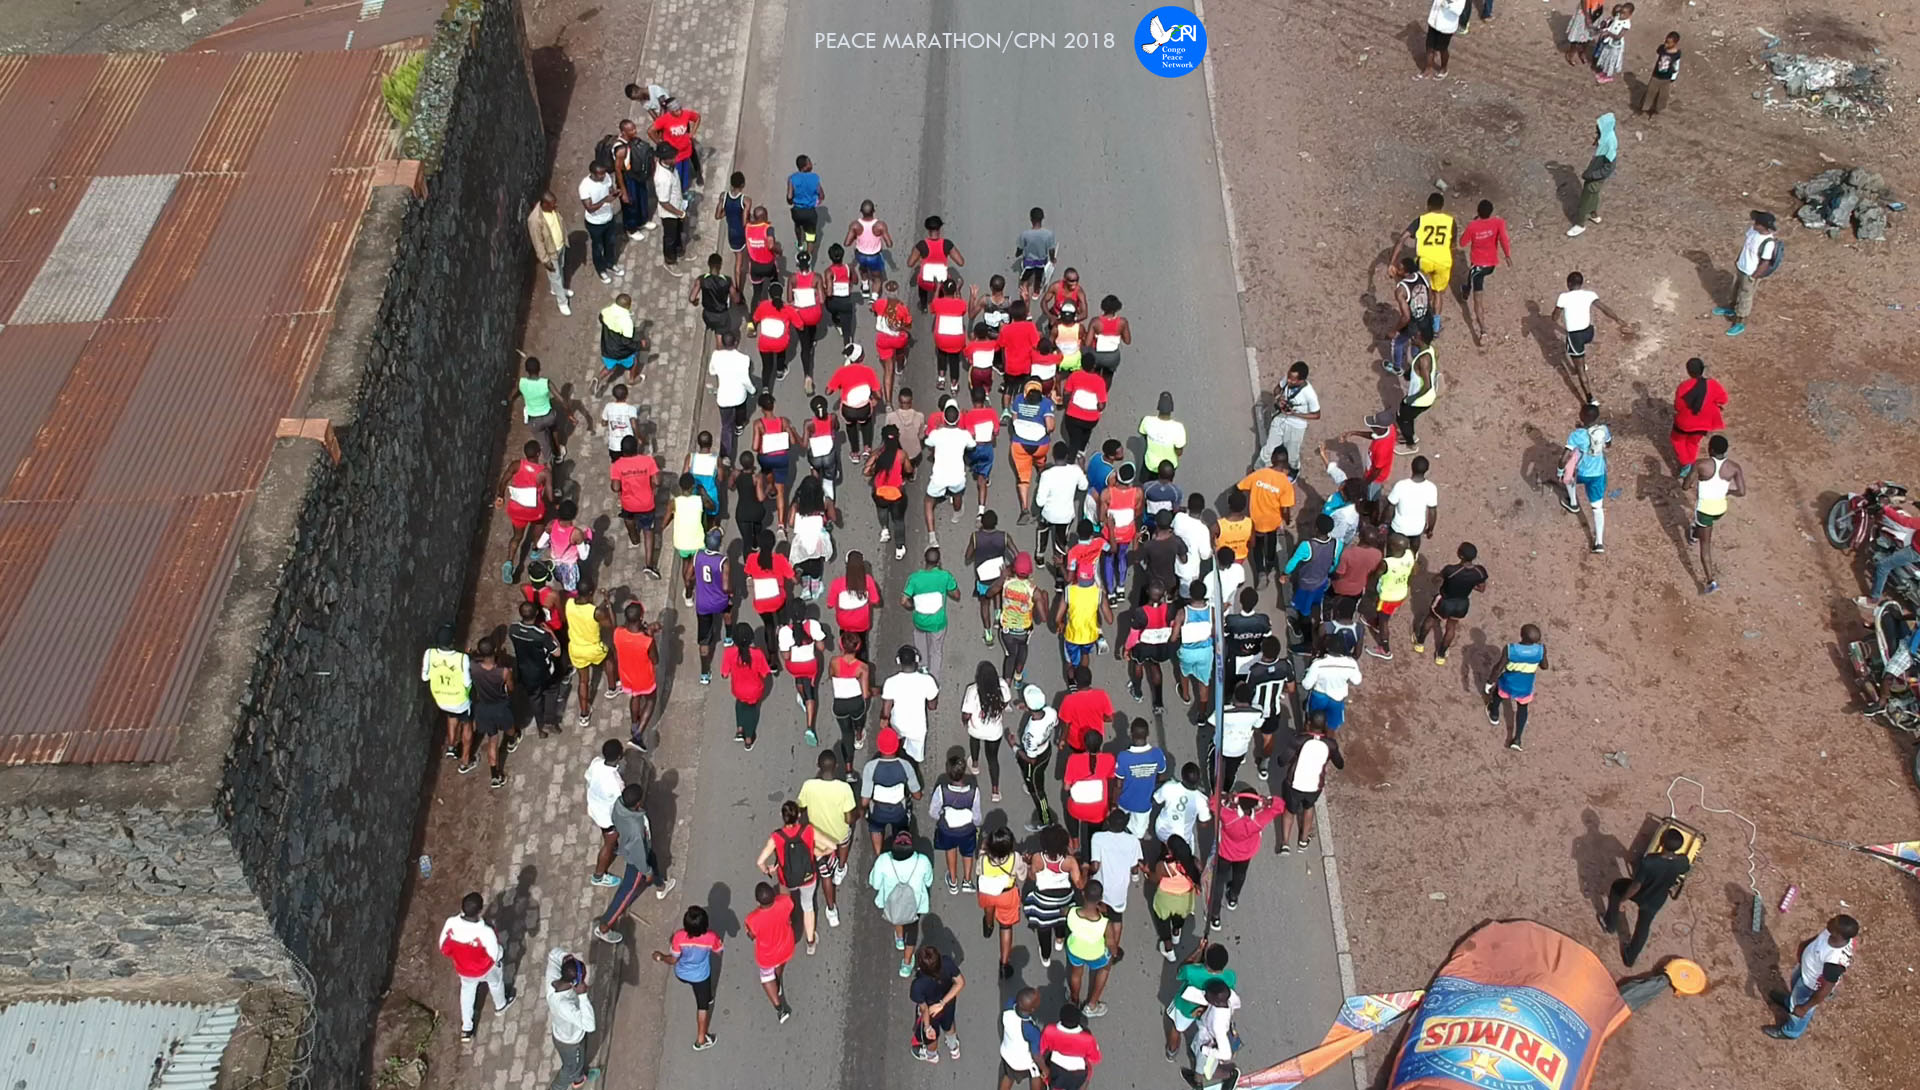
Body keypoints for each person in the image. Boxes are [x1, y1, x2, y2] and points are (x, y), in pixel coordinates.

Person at [592, 782, 677, 943]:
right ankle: (605, 926)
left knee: (653, 859)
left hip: (637, 847)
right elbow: (639, 856)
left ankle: (661, 886)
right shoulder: (636, 829)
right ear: (638, 803)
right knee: (627, 891)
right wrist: (646, 872)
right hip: (637, 860)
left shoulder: (618, 805)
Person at [1601, 826, 1691, 967]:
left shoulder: (1649, 861)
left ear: (1661, 843)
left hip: (1642, 893)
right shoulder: (1683, 861)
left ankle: (1610, 923)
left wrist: (1623, 900)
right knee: (1643, 927)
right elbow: (1685, 870)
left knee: (1617, 887)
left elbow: (1636, 885)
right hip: (1657, 899)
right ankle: (1630, 958)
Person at [1765, 915, 1859, 1039]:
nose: (1829, 920)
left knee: (1799, 1010)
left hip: (1810, 986)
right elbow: (1818, 940)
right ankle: (1790, 1002)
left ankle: (1790, 1032)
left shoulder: (1834, 961)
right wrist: (1804, 948)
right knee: (1795, 995)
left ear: (1838, 934)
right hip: (1805, 971)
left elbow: (1826, 989)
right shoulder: (1832, 933)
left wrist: (1805, 1008)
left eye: (1833, 922)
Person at [439, 892, 512, 1043]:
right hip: (486, 969)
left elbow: (443, 948)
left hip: (464, 970)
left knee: (467, 993)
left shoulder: (451, 924)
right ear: (480, 910)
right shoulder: (485, 932)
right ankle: (500, 1005)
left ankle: (467, 1028)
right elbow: (494, 953)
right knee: (496, 983)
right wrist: (499, 959)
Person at [1209, 786, 1283, 929]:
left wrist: (1227, 797)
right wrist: (1266, 801)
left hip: (1226, 851)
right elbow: (1279, 805)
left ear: (1238, 801)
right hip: (1246, 852)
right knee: (1240, 874)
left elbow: (1213, 802)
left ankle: (1215, 915)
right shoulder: (1260, 819)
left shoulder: (1229, 816)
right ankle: (1233, 898)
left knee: (1219, 880)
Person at [797, 748, 858, 917]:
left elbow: (801, 809)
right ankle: (840, 867)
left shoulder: (808, 786)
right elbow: (848, 819)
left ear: (818, 765)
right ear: (836, 766)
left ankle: (831, 910)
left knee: (825, 874)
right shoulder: (844, 789)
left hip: (818, 838)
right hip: (838, 833)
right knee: (845, 839)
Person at [1553, 270, 1630, 405]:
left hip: (1575, 336)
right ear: (1581, 284)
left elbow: (1554, 318)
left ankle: (1590, 398)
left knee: (1580, 368)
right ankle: (1582, 360)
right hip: (1589, 332)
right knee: (1581, 345)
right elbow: (1605, 309)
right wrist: (1619, 320)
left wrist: (1555, 315)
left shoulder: (1563, 297)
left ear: (1568, 284)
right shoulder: (1590, 295)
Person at [651, 906, 722, 1051]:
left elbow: (673, 960)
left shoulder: (679, 937)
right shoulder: (711, 937)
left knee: (703, 993)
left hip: (682, 974)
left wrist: (661, 956)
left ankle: (707, 997)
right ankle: (701, 1040)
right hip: (701, 977)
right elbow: (718, 952)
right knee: (703, 1007)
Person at [756, 801, 822, 954]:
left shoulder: (776, 836)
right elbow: (830, 845)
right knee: (808, 907)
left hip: (786, 878)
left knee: (786, 905)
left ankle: (788, 931)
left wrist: (768, 869)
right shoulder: (808, 830)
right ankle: (810, 942)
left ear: (782, 817)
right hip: (808, 877)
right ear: (799, 815)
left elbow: (760, 862)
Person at [870, 831, 934, 978]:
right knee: (912, 931)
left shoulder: (884, 860)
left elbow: (875, 883)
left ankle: (899, 938)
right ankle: (906, 963)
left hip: (892, 903)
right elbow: (928, 881)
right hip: (915, 905)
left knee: (897, 915)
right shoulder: (922, 861)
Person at [1411, 542, 1488, 664]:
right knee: (1451, 627)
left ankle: (1419, 643)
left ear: (1460, 556)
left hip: (1445, 601)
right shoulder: (1480, 572)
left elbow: (1436, 579)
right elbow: (1481, 589)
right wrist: (1468, 585)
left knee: (1431, 619)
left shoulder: (1451, 570)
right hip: (1462, 604)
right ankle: (1441, 656)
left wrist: (1437, 580)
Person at [1687, 434, 1745, 594]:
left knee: (1705, 547)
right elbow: (1741, 491)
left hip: (1705, 510)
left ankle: (1711, 581)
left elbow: (1686, 485)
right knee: (1703, 526)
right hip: (1720, 509)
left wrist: (1691, 482)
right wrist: (1727, 491)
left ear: (1710, 449)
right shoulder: (1734, 467)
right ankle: (1695, 532)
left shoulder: (1701, 465)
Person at [1086, 808, 1144, 965]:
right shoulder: (1133, 841)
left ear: (1108, 822)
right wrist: (1134, 877)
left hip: (1100, 888)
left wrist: (1086, 872)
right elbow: (1134, 866)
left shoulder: (1098, 838)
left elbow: (1095, 866)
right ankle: (1113, 951)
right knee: (1117, 919)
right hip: (1119, 889)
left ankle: (1096, 945)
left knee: (1098, 917)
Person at [1023, 824, 1085, 968]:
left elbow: (1032, 877)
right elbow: (1079, 884)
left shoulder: (1038, 858)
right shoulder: (1070, 861)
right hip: (1064, 899)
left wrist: (1028, 865)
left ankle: (1046, 956)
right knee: (1061, 920)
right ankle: (1059, 940)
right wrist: (1085, 870)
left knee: (1043, 930)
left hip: (1043, 902)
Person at [1713, 209, 1781, 337]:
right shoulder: (1753, 231)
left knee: (1745, 297)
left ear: (1763, 226)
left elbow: (1765, 263)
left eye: (1757, 223)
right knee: (1735, 290)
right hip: (1741, 267)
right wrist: (1739, 260)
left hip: (1750, 273)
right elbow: (1745, 247)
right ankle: (1732, 309)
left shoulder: (1768, 243)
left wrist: (1754, 276)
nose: (1754, 224)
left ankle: (1740, 321)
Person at [1164, 941, 1235, 1063]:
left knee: (1177, 1028)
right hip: (1209, 1012)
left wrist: (1199, 950)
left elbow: (1180, 971)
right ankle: (1198, 1058)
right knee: (1206, 1038)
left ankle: (1172, 1051)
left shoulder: (1192, 971)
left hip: (1186, 1009)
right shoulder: (1230, 976)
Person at [1458, 199, 1513, 345]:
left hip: (1478, 265)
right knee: (1472, 274)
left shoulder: (1473, 226)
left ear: (1478, 212)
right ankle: (1466, 289)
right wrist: (1507, 255)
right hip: (1491, 265)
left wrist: (1472, 227)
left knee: (1477, 299)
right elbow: (1504, 239)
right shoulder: (1498, 223)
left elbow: (1462, 243)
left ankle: (1483, 331)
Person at [509, 600, 566, 741]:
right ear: (536, 614)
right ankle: (549, 721)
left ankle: (540, 728)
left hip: (525, 672)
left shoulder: (513, 629)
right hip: (543, 671)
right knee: (552, 691)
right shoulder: (541, 634)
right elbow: (557, 652)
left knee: (534, 699)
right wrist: (551, 633)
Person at [880, 644, 941, 773]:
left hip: (897, 725)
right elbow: (932, 706)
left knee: (897, 753)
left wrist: (884, 721)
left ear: (898, 661)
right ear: (917, 660)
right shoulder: (927, 680)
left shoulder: (890, 682)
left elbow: (886, 710)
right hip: (917, 728)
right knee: (913, 759)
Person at [1487, 624, 1550, 750]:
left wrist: (1490, 681)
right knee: (1523, 708)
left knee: (1498, 694)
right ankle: (1517, 739)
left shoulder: (1511, 649)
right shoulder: (1540, 650)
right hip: (1525, 686)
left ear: (1521, 635)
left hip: (1508, 682)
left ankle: (1494, 715)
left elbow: (1499, 667)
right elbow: (1545, 666)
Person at [862, 727, 923, 854]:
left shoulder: (870, 767)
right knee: (901, 827)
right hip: (899, 811)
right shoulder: (906, 765)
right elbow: (917, 795)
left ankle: (879, 856)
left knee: (875, 827)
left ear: (879, 746)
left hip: (878, 811)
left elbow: (865, 800)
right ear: (897, 746)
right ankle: (898, 851)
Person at [1561, 404, 1613, 553]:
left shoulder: (1576, 435)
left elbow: (1565, 456)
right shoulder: (1603, 430)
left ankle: (1573, 503)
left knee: (1569, 477)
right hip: (1598, 474)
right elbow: (1608, 444)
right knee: (1597, 507)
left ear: (1582, 416)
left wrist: (1560, 470)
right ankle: (1599, 543)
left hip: (1581, 472)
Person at [609, 601, 662, 749]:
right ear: (641, 617)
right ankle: (637, 735)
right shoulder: (646, 641)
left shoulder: (618, 633)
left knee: (635, 696)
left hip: (626, 675)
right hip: (644, 677)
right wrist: (650, 635)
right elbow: (656, 660)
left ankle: (634, 724)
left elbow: (617, 627)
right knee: (651, 700)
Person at [928, 755, 984, 893]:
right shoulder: (974, 791)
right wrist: (976, 824)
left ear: (948, 772)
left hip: (947, 829)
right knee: (968, 853)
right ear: (964, 771)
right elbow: (977, 815)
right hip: (967, 829)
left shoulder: (942, 790)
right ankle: (967, 880)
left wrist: (941, 816)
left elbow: (933, 812)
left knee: (950, 850)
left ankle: (953, 882)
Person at [497, 441, 551, 584]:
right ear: (539, 454)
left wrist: (500, 496)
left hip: (517, 508)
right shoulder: (543, 471)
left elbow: (503, 481)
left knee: (516, 537)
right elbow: (550, 497)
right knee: (538, 526)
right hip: (534, 510)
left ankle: (509, 562)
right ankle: (535, 551)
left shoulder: (516, 465)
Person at [744, 882, 796, 1022]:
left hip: (767, 955)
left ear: (757, 901)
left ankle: (780, 1009)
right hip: (786, 946)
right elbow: (790, 908)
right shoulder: (784, 901)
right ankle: (777, 983)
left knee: (766, 977)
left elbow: (751, 935)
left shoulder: (752, 918)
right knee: (779, 964)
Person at [545, 948, 595, 1090]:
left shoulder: (553, 979)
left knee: (578, 1062)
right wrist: (583, 996)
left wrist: (566, 956)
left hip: (566, 1034)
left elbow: (553, 954)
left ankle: (579, 1079)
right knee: (570, 1068)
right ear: (574, 983)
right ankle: (557, 1087)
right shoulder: (564, 1006)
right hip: (571, 1041)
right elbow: (589, 1025)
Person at [963, 660, 1014, 799]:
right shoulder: (1002, 686)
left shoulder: (973, 690)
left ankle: (974, 765)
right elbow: (1006, 702)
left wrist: (965, 722)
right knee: (993, 759)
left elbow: (966, 714)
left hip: (976, 728)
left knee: (974, 743)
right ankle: (995, 791)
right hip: (994, 731)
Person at [467, 637, 514, 787]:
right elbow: (511, 689)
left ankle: (495, 775)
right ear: (495, 651)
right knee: (510, 728)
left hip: (483, 708)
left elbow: (470, 660)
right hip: (500, 707)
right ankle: (512, 740)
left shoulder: (473, 667)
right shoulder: (503, 672)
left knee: (492, 740)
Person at [922, 404, 975, 537]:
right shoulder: (964, 435)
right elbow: (972, 445)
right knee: (957, 494)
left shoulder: (937, 434)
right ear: (958, 419)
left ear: (944, 419)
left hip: (939, 477)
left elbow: (928, 443)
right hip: (957, 476)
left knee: (929, 501)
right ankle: (956, 514)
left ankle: (932, 535)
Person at [1259, 361, 1320, 476]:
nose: (1289, 381)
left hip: (1296, 426)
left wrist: (1294, 414)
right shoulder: (1288, 379)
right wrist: (1278, 398)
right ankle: (1260, 468)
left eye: (1293, 380)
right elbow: (1277, 389)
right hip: (1281, 418)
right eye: (1289, 377)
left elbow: (1317, 415)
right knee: (1269, 447)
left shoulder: (1309, 394)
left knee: (1293, 455)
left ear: (1301, 380)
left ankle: (1294, 471)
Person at [422, 624, 473, 761]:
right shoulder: (462, 658)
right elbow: (467, 683)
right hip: (460, 700)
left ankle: (451, 746)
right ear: (453, 641)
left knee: (451, 717)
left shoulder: (429, 654)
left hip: (441, 699)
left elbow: (425, 677)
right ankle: (465, 760)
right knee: (467, 725)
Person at [1012, 685, 1060, 829]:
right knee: (1036, 774)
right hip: (1047, 750)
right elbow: (1055, 724)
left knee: (1038, 792)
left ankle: (1046, 820)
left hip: (1035, 759)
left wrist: (1013, 745)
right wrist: (1027, 707)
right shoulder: (1051, 711)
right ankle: (1030, 785)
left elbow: (1030, 759)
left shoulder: (1030, 734)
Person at [1669, 357, 1728, 475]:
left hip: (1685, 423)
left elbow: (1678, 407)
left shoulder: (1683, 387)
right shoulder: (1713, 384)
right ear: (1702, 370)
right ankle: (1690, 463)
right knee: (1693, 442)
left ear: (1688, 371)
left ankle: (1687, 464)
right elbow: (1723, 399)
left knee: (1677, 441)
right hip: (1704, 423)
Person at [1056, 566, 1113, 687]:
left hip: (1072, 636)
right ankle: (1083, 678)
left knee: (1070, 662)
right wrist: (1104, 597)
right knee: (1085, 654)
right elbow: (1110, 619)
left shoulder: (1069, 591)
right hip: (1090, 636)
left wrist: (1060, 623)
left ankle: (1072, 685)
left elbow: (1057, 617)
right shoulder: (1098, 593)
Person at [1007, 383, 1057, 520]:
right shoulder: (1046, 403)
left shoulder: (1017, 399)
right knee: (1041, 461)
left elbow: (1014, 420)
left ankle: (1024, 509)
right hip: (1040, 445)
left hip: (1020, 444)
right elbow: (1050, 427)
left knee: (1023, 478)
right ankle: (1042, 474)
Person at [720, 621, 773, 750]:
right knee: (751, 711)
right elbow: (765, 673)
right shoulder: (757, 653)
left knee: (739, 704)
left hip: (737, 689)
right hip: (755, 690)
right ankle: (748, 738)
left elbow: (724, 674)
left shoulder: (729, 653)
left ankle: (739, 729)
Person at [743, 527, 795, 656]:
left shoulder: (751, 559)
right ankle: (782, 628)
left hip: (761, 602)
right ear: (773, 545)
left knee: (768, 625)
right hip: (778, 599)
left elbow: (748, 572)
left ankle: (772, 657)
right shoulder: (780, 559)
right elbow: (793, 579)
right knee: (782, 612)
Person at [1062, 883, 1114, 1015]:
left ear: (1083, 894)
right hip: (1096, 954)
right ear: (1101, 898)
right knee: (1105, 968)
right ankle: (1092, 1005)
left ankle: (1074, 1000)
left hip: (1075, 950)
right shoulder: (1104, 923)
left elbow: (1062, 911)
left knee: (1075, 974)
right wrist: (1114, 953)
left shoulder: (1071, 912)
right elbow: (1111, 944)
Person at [909, 944, 967, 1062]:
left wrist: (927, 1027)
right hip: (948, 1003)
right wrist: (942, 1003)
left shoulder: (918, 985)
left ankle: (931, 1054)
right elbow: (960, 983)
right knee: (949, 1023)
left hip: (931, 1012)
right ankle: (953, 1048)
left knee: (932, 1036)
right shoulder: (947, 963)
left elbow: (924, 1009)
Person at [690, 529, 733, 684]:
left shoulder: (697, 556)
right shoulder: (723, 561)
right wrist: (731, 593)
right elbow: (726, 586)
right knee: (728, 610)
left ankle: (704, 673)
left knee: (704, 640)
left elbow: (689, 576)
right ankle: (729, 637)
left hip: (703, 604)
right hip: (719, 601)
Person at [1112, 717, 1167, 837]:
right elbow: (1161, 776)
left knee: (1119, 830)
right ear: (1147, 734)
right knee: (1138, 834)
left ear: (1131, 733)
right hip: (1144, 804)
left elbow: (1118, 784)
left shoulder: (1123, 757)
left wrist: (1113, 803)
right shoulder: (1157, 754)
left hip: (1124, 802)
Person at [1149, 835, 1202, 961]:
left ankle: (1169, 949)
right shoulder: (1195, 863)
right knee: (1179, 917)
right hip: (1184, 899)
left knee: (1162, 920)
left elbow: (1154, 879)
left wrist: (1146, 871)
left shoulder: (1166, 866)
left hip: (1165, 899)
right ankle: (1176, 933)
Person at [1062, 736, 1118, 856]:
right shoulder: (1109, 758)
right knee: (1094, 833)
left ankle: (1076, 842)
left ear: (1085, 745)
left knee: (1068, 806)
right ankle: (1092, 852)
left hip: (1077, 809)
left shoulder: (1073, 759)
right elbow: (1112, 780)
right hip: (1098, 811)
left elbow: (1066, 787)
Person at [1035, 448, 1089, 571]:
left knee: (1042, 529)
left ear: (1053, 456)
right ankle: (1059, 562)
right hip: (1066, 515)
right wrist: (1082, 469)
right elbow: (1083, 486)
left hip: (1048, 514)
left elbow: (1039, 502)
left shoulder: (1046, 475)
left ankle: (1040, 555)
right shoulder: (1075, 470)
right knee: (1061, 540)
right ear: (1067, 456)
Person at [778, 613, 827, 746]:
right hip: (810, 666)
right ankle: (810, 727)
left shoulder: (785, 631)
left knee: (799, 679)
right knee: (810, 690)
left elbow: (786, 656)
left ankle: (802, 699)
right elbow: (821, 648)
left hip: (794, 666)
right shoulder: (813, 625)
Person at [826, 342, 881, 460]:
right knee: (866, 423)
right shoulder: (868, 371)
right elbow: (879, 393)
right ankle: (867, 447)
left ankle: (855, 453)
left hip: (848, 410)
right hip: (864, 409)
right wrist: (875, 400)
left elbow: (828, 391)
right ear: (861, 357)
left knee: (851, 427)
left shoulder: (841, 372)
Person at [1566, 114, 1618, 237]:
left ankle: (1580, 224)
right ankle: (1594, 214)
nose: (1596, 130)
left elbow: (1609, 167)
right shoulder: (1607, 137)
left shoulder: (1610, 143)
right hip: (1595, 175)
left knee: (1585, 200)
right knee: (1594, 195)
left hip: (1596, 177)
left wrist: (1594, 175)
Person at [1367, 534, 1417, 660]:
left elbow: (1376, 576)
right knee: (1384, 615)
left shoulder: (1387, 563)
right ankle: (1377, 623)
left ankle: (1385, 649)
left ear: (1392, 547)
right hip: (1401, 592)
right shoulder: (1410, 554)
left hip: (1388, 596)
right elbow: (1414, 571)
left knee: (1384, 621)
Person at [999, 552, 1047, 685]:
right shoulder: (1033, 590)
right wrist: (1044, 599)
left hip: (1007, 630)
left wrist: (1001, 577)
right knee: (1023, 650)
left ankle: (1006, 688)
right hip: (1024, 631)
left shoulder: (1006, 582)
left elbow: (990, 592)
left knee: (1010, 656)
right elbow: (1043, 618)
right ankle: (1018, 677)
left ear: (1014, 568)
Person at [866, 424, 913, 559]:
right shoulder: (901, 454)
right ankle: (899, 547)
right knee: (898, 520)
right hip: (896, 493)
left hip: (880, 492)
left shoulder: (877, 453)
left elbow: (867, 471)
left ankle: (885, 530)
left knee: (882, 511)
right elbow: (909, 470)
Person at [828, 550, 883, 664]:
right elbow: (876, 601)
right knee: (862, 644)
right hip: (862, 624)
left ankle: (847, 662)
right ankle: (862, 664)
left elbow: (830, 604)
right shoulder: (867, 580)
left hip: (844, 624)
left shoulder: (837, 583)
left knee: (846, 642)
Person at [708, 331, 755, 460]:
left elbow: (712, 371)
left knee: (726, 426)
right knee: (741, 411)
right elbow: (745, 380)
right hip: (739, 395)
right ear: (736, 342)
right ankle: (739, 426)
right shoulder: (744, 359)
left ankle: (725, 456)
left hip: (724, 397)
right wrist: (752, 390)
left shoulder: (716, 356)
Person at [1300, 636, 1363, 732]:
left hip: (1318, 697)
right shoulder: (1351, 664)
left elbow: (1306, 685)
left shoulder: (1318, 664)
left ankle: (1306, 739)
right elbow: (1357, 681)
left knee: (1311, 721)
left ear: (1328, 648)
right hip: (1337, 699)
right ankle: (1328, 743)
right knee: (1332, 726)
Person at [527, 192, 574, 316]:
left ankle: (556, 289)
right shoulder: (535, 220)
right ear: (545, 204)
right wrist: (545, 260)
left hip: (560, 246)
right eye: (553, 204)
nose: (555, 206)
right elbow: (538, 243)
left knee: (560, 270)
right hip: (550, 253)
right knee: (556, 276)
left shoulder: (552, 209)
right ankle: (562, 302)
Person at [1388, 256, 1434, 378]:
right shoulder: (1422, 276)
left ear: (1404, 271)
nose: (1397, 270)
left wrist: (1394, 330)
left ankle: (1397, 368)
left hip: (1413, 324)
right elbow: (1431, 297)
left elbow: (1406, 317)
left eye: (1399, 268)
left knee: (1397, 342)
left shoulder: (1401, 290)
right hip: (1426, 320)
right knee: (1417, 347)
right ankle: (1415, 367)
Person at [1188, 979, 1241, 1085]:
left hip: (1207, 1043)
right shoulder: (1228, 999)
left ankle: (1230, 1074)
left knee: (1203, 1069)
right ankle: (1197, 1075)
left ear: (1215, 1002)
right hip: (1205, 1035)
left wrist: (1206, 1050)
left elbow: (1226, 1054)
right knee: (1197, 1057)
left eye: (1208, 996)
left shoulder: (1218, 1026)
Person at [1213, 685, 1264, 792]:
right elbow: (1258, 725)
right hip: (1240, 750)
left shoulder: (1225, 711)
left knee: (1213, 769)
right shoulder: (1258, 711)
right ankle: (1226, 792)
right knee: (1231, 773)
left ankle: (1214, 792)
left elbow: (1213, 722)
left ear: (1234, 697)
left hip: (1221, 747)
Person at [578, 161, 623, 281]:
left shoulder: (607, 176)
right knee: (598, 247)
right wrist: (605, 200)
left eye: (604, 173)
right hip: (595, 223)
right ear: (592, 173)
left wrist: (615, 193)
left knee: (611, 243)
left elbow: (610, 190)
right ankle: (601, 270)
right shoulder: (585, 187)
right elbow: (590, 208)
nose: (603, 176)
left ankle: (610, 263)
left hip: (608, 218)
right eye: (600, 174)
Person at [1153, 762, 1213, 853]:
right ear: (1198, 779)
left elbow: (1156, 799)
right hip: (1183, 838)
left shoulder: (1169, 786)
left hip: (1162, 831)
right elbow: (1203, 824)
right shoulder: (1202, 800)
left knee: (1165, 847)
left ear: (1182, 776)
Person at [1386, 456, 1440, 552]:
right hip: (1416, 529)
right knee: (1412, 551)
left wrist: (1384, 523)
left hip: (1398, 528)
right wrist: (1430, 529)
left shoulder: (1400, 485)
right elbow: (1432, 512)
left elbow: (1390, 508)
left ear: (1411, 467)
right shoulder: (1431, 488)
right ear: (1427, 470)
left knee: (1392, 553)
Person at [595, 293, 645, 397]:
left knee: (609, 367)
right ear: (628, 306)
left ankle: (598, 379)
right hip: (621, 352)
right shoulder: (626, 322)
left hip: (607, 348)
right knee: (634, 362)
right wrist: (640, 344)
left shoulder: (606, 311)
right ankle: (632, 380)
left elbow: (601, 318)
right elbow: (626, 342)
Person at [649, 95, 701, 190]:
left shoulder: (686, 114)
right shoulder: (664, 120)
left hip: (686, 150)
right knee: (676, 175)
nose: (679, 112)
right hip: (674, 154)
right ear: (671, 111)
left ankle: (684, 191)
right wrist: (660, 143)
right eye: (676, 111)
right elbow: (650, 131)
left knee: (685, 174)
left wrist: (692, 133)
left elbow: (697, 118)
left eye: (679, 109)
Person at [650, 145, 688, 272]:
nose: (676, 159)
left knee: (678, 232)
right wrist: (680, 213)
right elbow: (664, 202)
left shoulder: (670, 167)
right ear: (665, 159)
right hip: (670, 213)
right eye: (673, 157)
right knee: (670, 237)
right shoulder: (662, 178)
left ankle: (679, 251)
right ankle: (669, 260)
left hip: (677, 204)